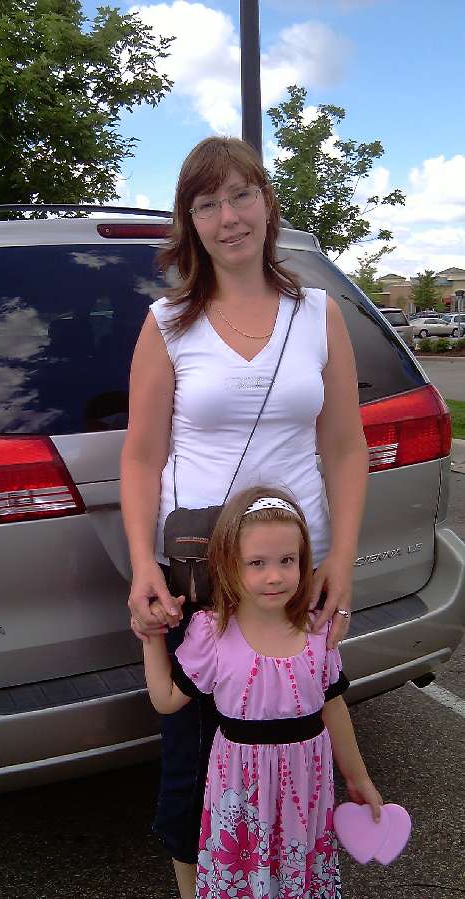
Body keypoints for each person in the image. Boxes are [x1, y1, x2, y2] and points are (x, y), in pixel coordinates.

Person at [120, 136, 369, 898]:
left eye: (241, 195)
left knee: (298, 748)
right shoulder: (168, 323)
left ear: (267, 202)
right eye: (207, 204)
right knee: (192, 777)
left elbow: (346, 447)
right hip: (203, 584)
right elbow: (141, 456)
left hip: (295, 578)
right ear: (190, 222)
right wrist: (142, 567)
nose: (228, 217)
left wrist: (340, 560)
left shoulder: (318, 314)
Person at [143, 486, 382, 898]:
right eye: (257, 563)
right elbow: (166, 700)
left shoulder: (317, 630)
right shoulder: (212, 633)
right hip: (241, 796)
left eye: (287, 560)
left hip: (304, 795)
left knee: (296, 876)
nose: (275, 576)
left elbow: (333, 706)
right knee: (246, 877)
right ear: (228, 565)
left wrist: (358, 778)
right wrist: (150, 636)